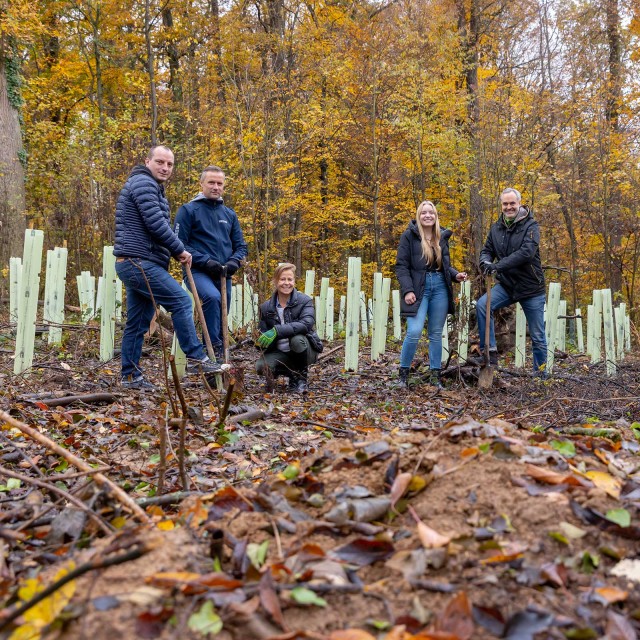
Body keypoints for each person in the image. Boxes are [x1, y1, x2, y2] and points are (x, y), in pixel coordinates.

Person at [114, 145, 222, 390]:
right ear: (147, 161)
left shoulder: (151, 186)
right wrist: (180, 250)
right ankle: (197, 358)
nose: (165, 168)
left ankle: (130, 377)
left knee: (138, 323)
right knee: (182, 302)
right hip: (137, 262)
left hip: (136, 262)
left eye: (169, 164)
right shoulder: (144, 183)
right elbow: (155, 224)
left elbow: (153, 224)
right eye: (160, 162)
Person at [175, 166, 248, 360]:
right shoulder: (188, 210)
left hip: (224, 273)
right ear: (201, 184)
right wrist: (205, 261)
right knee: (213, 298)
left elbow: (241, 246)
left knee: (223, 313)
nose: (216, 187)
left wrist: (234, 262)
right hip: (198, 271)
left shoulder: (229, 214)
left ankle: (221, 357)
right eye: (211, 183)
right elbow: (179, 243)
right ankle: (212, 348)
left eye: (219, 183)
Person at [395, 201, 467, 388]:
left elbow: (445, 266)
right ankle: (403, 375)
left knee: (436, 333)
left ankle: (436, 376)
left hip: (440, 287)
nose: (427, 215)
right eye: (423, 213)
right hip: (418, 289)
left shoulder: (441, 237)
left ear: (435, 216)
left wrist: (455, 275)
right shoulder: (408, 237)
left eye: (431, 213)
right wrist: (408, 290)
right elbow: (401, 267)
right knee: (414, 331)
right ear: (419, 216)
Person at [476, 187, 547, 374]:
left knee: (538, 335)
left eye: (512, 203)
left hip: (531, 287)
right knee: (483, 305)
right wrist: (485, 261)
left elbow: (526, 253)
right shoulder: (496, 227)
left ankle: (541, 375)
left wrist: (497, 266)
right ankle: (489, 352)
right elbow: (487, 249)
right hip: (508, 285)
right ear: (501, 205)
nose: (509, 207)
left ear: (519, 203)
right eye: (505, 204)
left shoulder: (531, 226)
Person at [255, 263, 323, 393]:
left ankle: (301, 378)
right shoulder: (266, 307)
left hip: (305, 349)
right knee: (260, 366)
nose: (286, 283)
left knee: (296, 340)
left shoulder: (305, 301)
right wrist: (260, 340)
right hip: (280, 351)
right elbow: (262, 332)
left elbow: (306, 324)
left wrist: (277, 331)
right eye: (282, 279)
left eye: (290, 279)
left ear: (294, 281)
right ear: (275, 281)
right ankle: (291, 374)